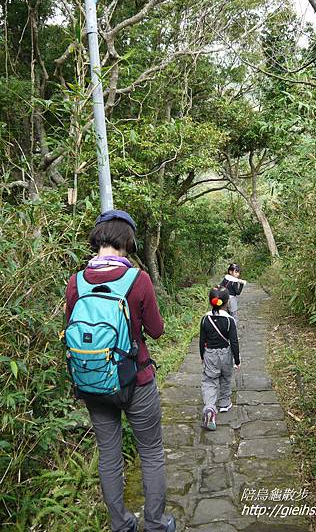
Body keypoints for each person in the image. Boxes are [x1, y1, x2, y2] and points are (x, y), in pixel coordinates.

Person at [65, 210, 176, 532]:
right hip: (136, 380)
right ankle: (156, 523)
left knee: (109, 455)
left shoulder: (76, 282)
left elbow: (72, 330)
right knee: (151, 451)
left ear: (97, 237)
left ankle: (121, 523)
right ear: (128, 240)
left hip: (93, 381)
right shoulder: (137, 279)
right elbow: (156, 330)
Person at [199, 286, 240, 430]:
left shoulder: (205, 319)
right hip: (226, 354)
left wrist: (202, 355)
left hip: (210, 353)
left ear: (210, 302)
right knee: (226, 377)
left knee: (210, 380)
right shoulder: (229, 321)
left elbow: (201, 340)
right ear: (227, 302)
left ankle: (210, 408)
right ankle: (224, 403)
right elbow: (234, 342)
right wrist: (237, 360)